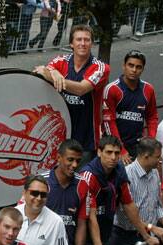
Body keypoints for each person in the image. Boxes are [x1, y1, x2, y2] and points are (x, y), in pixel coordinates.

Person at [35, 24, 110, 164]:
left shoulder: (100, 68)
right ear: (71, 43)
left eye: (87, 40)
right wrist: (53, 71)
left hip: (86, 140)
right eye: (79, 39)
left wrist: (53, 77)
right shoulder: (61, 61)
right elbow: (42, 69)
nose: (82, 43)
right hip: (60, 138)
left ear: (92, 43)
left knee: (80, 182)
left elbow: (81, 89)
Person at [102, 50, 158, 164]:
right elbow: (108, 122)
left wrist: (151, 142)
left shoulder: (148, 89)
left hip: (137, 146)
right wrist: (120, 150)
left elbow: (152, 117)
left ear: (142, 69)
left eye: (138, 67)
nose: (134, 70)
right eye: (130, 65)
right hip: (114, 147)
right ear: (124, 66)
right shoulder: (112, 89)